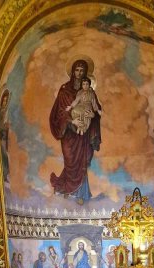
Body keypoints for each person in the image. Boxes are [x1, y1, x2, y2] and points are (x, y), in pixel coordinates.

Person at [49, 60, 101, 203]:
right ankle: (67, 188)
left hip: (84, 133)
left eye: (82, 70)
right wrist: (72, 121)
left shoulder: (90, 92)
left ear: (86, 73)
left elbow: (96, 111)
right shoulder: (64, 89)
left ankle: (81, 194)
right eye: (77, 70)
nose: (79, 73)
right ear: (72, 71)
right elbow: (59, 113)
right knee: (70, 161)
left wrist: (92, 115)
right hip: (68, 133)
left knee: (82, 161)